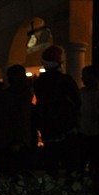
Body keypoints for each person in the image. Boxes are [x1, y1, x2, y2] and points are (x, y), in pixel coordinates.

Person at [33, 45, 81, 178]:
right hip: (66, 127)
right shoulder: (65, 80)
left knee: (51, 165)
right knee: (70, 165)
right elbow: (77, 101)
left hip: (48, 128)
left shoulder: (39, 82)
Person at [78, 65, 99, 178]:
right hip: (85, 133)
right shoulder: (82, 93)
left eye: (84, 76)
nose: (82, 78)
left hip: (98, 134)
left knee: (96, 164)